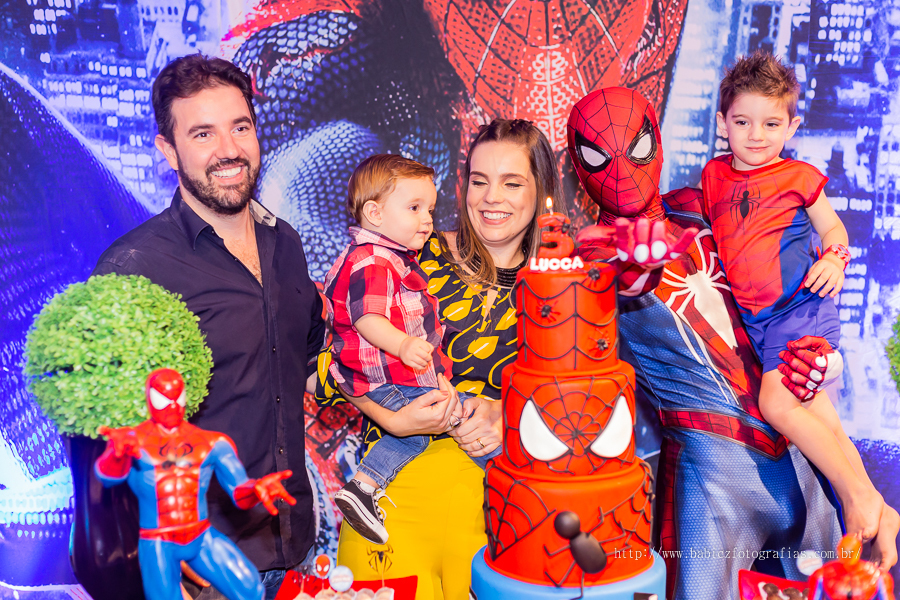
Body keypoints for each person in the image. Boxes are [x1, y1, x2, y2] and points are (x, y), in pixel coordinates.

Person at [568, 86, 879, 600]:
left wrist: (819, 342)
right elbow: (622, 277)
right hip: (712, 471)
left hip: (799, 453)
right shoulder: (593, 254)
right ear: (579, 163)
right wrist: (633, 259)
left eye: (636, 147)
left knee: (836, 584)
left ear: (658, 141)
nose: (621, 170)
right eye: (601, 155)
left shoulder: (702, 203)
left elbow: (785, 263)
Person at [92, 54, 326, 600]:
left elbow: (306, 365)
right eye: (203, 133)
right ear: (167, 150)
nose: (229, 150)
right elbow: (105, 443)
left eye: (239, 126)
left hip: (298, 550)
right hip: (201, 571)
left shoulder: (286, 243)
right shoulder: (134, 268)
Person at [316, 118, 566, 599]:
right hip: (388, 507)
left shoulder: (566, 285)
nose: (491, 197)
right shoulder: (405, 253)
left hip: (497, 518)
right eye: (478, 180)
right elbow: (328, 356)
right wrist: (387, 414)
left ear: (541, 190)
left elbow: (586, 404)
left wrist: (505, 411)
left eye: (512, 183)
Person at [702, 52, 892, 542]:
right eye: (742, 121)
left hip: (802, 309)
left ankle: (855, 497)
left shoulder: (799, 177)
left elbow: (834, 227)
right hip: (760, 324)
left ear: (792, 126)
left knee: (779, 407)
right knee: (822, 418)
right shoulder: (713, 177)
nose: (756, 135)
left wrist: (833, 260)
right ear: (723, 123)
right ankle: (881, 509)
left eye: (770, 123)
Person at [324, 154, 500, 546]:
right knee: (434, 421)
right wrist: (403, 345)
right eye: (415, 208)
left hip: (394, 373)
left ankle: (367, 487)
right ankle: (366, 486)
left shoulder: (391, 259)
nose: (427, 220)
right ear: (375, 212)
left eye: (431, 210)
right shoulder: (373, 260)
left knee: (441, 415)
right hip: (382, 375)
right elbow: (366, 318)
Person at [95, 369, 296, 600]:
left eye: (177, 397)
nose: (172, 405)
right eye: (163, 398)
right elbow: (108, 478)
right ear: (149, 398)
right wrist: (116, 455)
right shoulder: (133, 440)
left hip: (200, 536)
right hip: (157, 541)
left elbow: (239, 492)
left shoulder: (210, 442)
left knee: (250, 587)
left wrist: (256, 489)